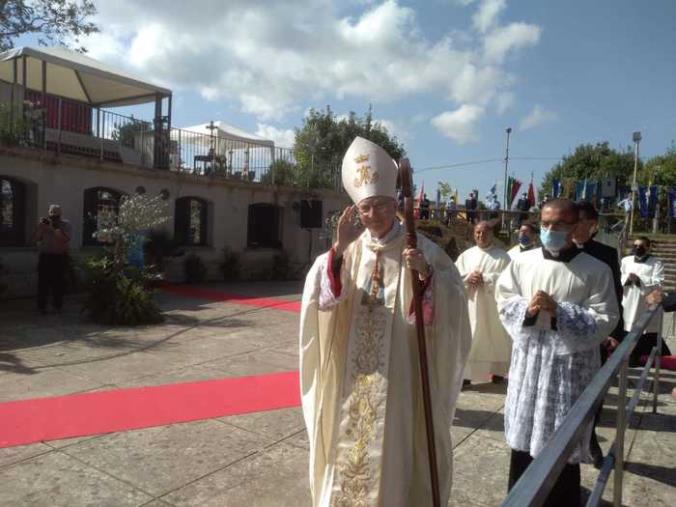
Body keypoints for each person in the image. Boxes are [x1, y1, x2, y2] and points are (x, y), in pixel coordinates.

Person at [299, 136, 471, 506]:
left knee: (393, 445)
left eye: (379, 206)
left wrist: (427, 280)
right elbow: (321, 301)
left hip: (400, 376)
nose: (373, 216)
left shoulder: (424, 250)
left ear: (395, 204)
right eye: (365, 208)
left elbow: (451, 306)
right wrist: (338, 250)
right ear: (355, 211)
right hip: (351, 376)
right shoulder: (349, 249)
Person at [495, 199, 619, 507]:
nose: (550, 230)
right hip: (529, 363)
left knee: (560, 441)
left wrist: (559, 311)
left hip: (567, 368)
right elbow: (504, 299)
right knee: (524, 442)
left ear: (576, 226)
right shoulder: (522, 262)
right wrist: (528, 308)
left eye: (559, 225)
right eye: (546, 224)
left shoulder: (596, 269)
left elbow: (606, 318)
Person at [572, 200, 626, 467]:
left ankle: (590, 438)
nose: (571, 225)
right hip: (564, 333)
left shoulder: (605, 254)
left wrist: (615, 332)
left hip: (596, 334)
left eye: (577, 220)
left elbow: (616, 295)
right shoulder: (555, 251)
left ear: (592, 225)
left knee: (594, 393)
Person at [455, 221, 511, 383]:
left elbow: (508, 281)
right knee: (470, 337)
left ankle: (498, 371)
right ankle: (466, 376)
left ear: (491, 234)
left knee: (494, 337)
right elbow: (454, 276)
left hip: (491, 306)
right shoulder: (466, 255)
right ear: (474, 234)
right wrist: (467, 278)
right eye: (478, 232)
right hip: (471, 304)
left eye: (485, 232)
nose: (481, 236)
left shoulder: (502, 257)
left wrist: (486, 279)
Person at [621, 236, 671, 366]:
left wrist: (639, 279)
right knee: (627, 328)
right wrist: (628, 278)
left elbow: (658, 282)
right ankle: (627, 356)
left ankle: (638, 357)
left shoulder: (656, 263)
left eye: (641, 246)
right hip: (629, 299)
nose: (637, 248)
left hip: (645, 301)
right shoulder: (626, 260)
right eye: (635, 245)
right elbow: (621, 276)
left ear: (648, 248)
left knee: (644, 330)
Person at [34, 204, 72, 313]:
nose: (53, 215)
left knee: (58, 283)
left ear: (60, 214)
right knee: (42, 283)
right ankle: (41, 306)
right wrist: (41, 228)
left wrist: (52, 229)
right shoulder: (44, 224)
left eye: (56, 213)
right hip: (45, 256)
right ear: (49, 213)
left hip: (59, 257)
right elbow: (36, 239)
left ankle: (57, 305)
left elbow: (65, 239)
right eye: (52, 213)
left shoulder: (66, 225)